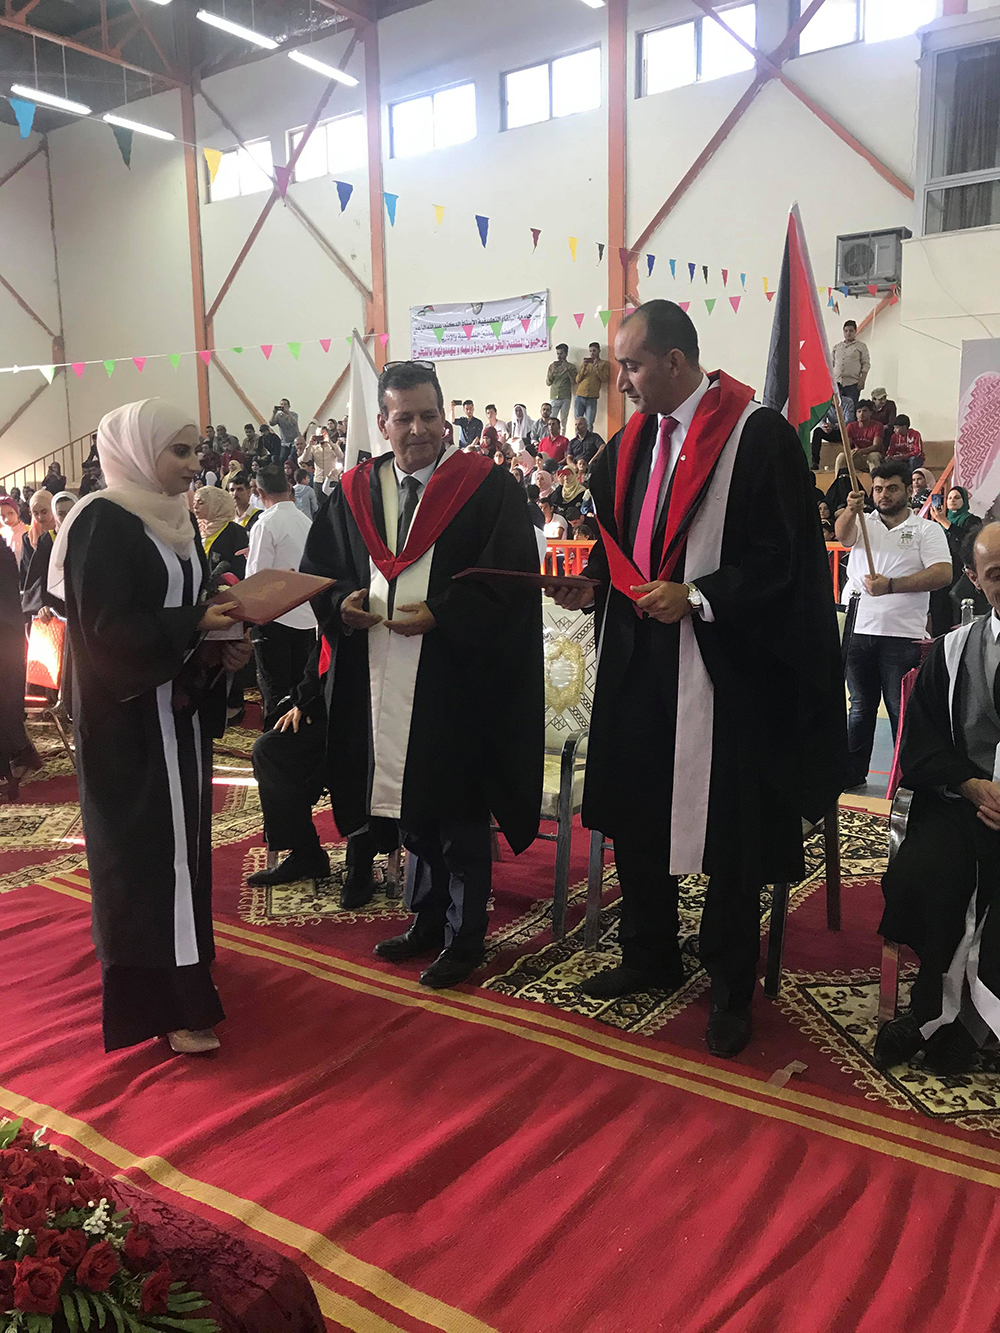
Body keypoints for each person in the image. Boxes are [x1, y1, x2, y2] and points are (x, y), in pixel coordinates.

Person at [547, 299, 845, 1057]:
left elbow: (784, 559)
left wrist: (701, 595)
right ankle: (650, 951)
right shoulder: (632, 442)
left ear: (675, 361)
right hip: (640, 663)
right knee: (638, 810)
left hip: (725, 668)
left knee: (730, 833)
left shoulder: (757, 435)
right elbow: (622, 542)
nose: (620, 381)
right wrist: (591, 581)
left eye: (631, 366)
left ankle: (730, 985)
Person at [301, 360, 543, 989]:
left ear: (445, 418)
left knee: (457, 811)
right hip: (379, 676)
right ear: (383, 423)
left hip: (453, 679)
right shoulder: (354, 490)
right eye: (404, 418)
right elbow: (321, 570)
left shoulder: (486, 488)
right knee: (409, 810)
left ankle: (465, 937)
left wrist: (445, 613)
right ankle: (427, 919)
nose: (418, 429)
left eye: (429, 416)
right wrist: (342, 602)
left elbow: (510, 579)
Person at [47, 398, 251, 1054]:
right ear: (138, 451)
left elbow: (186, 609)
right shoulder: (101, 520)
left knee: (182, 853)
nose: (194, 465)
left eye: (196, 451)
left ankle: (188, 970)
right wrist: (194, 625)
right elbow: (104, 631)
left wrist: (220, 647)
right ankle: (158, 1000)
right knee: (141, 859)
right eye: (179, 451)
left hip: (176, 715)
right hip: (129, 724)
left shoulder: (175, 519)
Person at [876, 522, 1000, 1076]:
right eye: (996, 573)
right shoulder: (952, 651)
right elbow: (921, 743)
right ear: (973, 578)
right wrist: (970, 785)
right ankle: (933, 1008)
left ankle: (970, 1024)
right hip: (964, 801)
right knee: (933, 871)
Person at [835, 461, 952, 789]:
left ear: (907, 490)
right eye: (878, 489)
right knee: (860, 707)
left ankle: (907, 779)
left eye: (891, 488)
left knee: (902, 710)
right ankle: (852, 774)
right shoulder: (862, 521)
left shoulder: (926, 529)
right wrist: (850, 509)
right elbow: (843, 536)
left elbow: (942, 573)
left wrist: (891, 586)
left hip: (902, 635)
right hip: (859, 630)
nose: (883, 494)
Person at [248, 644, 388, 908]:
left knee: (353, 754)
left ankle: (360, 861)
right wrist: (303, 702)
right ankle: (305, 852)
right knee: (270, 750)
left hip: (375, 714)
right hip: (327, 710)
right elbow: (322, 658)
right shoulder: (336, 618)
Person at [246, 464, 317, 718]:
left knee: (276, 693)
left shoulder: (266, 523)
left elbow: (256, 580)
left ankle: (274, 737)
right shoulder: (305, 521)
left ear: (259, 492)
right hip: (306, 616)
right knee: (299, 691)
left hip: (274, 618)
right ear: (288, 488)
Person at [0, 539, 41, 802]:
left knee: (5, 708)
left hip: (4, 640)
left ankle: (11, 766)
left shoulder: (2, 554)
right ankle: (19, 755)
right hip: (7, 637)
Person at [928, 485, 984, 636]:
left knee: (957, 611)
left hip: (960, 573)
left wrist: (945, 522)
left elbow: (967, 542)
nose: (952, 500)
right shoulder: (936, 524)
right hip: (941, 570)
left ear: (964, 501)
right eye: (950, 498)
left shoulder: (971, 520)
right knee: (939, 611)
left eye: (957, 497)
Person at [193, 485, 248, 581]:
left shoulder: (235, 532)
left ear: (216, 505)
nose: (195, 506)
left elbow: (239, 567)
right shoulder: (193, 528)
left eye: (201, 503)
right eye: (194, 502)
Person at [832, 320, 870, 423]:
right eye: (846, 331)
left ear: (855, 331)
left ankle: (849, 431)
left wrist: (862, 380)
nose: (848, 333)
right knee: (835, 409)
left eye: (851, 331)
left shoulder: (861, 346)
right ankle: (836, 430)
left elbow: (866, 364)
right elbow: (831, 364)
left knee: (851, 410)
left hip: (852, 384)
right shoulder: (837, 347)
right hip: (837, 384)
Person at [19, 490, 55, 592]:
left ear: (53, 509)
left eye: (44, 512)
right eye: (35, 513)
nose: (40, 517)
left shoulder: (63, 533)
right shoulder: (28, 538)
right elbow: (27, 570)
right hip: (38, 593)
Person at [574, 342, 611, 429]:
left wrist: (597, 368)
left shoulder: (604, 364)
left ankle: (588, 438)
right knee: (577, 422)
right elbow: (577, 380)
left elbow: (605, 379)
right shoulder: (585, 364)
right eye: (590, 351)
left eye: (594, 351)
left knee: (589, 424)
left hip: (592, 397)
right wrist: (584, 367)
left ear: (599, 351)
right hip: (580, 396)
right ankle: (577, 438)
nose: (592, 353)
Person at [546, 343, 577, 431]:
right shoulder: (552, 366)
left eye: (561, 354)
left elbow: (574, 382)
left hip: (565, 396)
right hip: (554, 396)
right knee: (551, 420)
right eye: (557, 354)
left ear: (566, 354)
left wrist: (567, 371)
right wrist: (552, 372)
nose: (559, 356)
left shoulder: (571, 367)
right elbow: (548, 383)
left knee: (563, 420)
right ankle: (551, 437)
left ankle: (562, 437)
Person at [845, 401, 885, 470]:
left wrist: (861, 451)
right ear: (856, 414)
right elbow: (847, 445)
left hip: (874, 455)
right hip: (858, 456)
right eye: (859, 411)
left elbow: (876, 446)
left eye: (865, 411)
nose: (861, 414)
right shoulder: (850, 426)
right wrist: (852, 451)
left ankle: (876, 476)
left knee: (873, 456)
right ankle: (840, 476)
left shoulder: (878, 426)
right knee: (842, 456)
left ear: (871, 413)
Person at [1, 495, 28, 566]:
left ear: (17, 513)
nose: (7, 519)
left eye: (10, 513)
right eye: (2, 516)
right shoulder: (1, 535)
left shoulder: (28, 531)